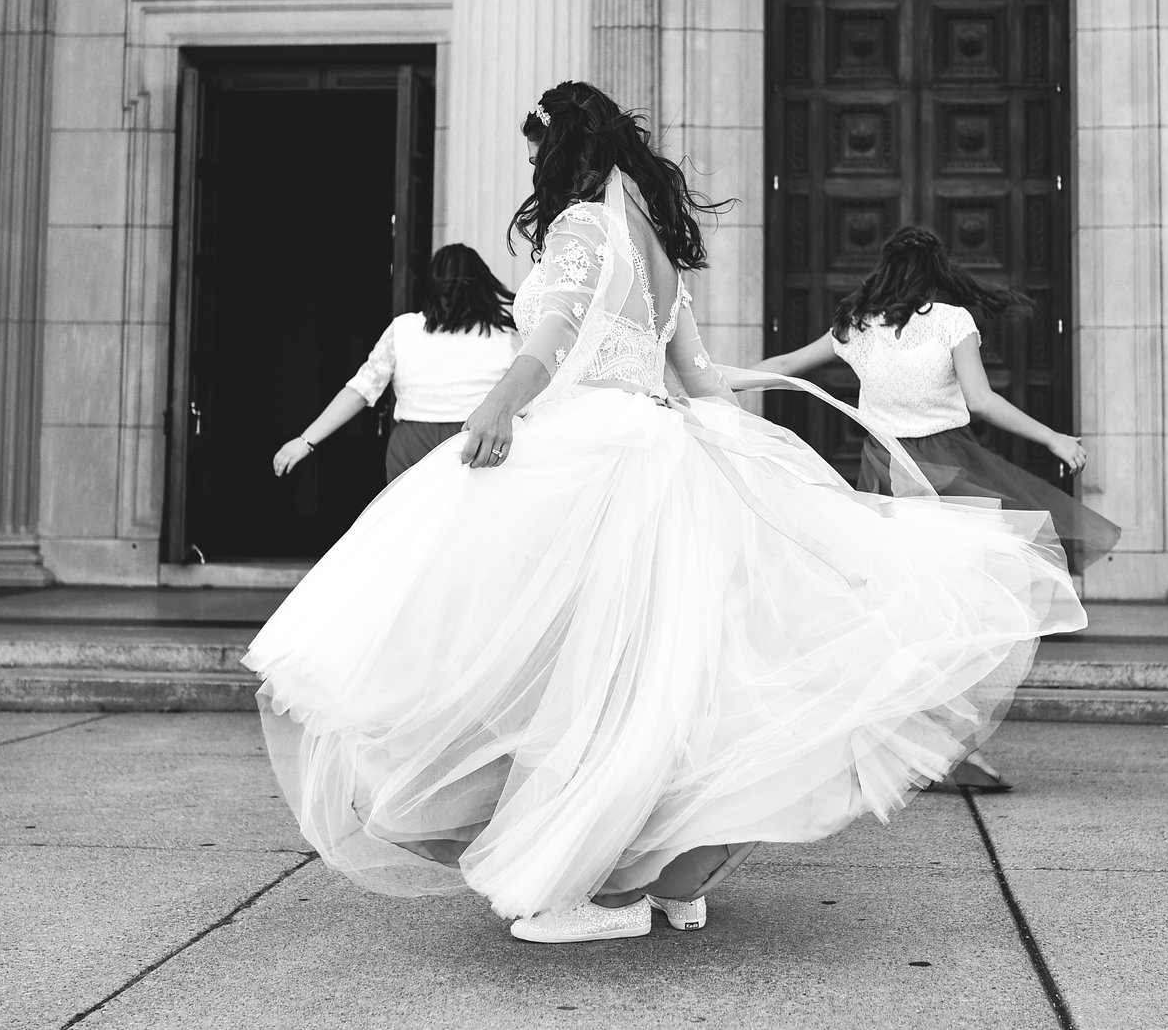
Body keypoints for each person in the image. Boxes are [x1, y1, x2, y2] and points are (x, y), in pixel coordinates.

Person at [244, 81, 1083, 943]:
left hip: (592, 455)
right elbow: (701, 379)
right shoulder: (655, 248)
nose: (530, 164)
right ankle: (675, 879)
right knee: (666, 675)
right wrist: (754, 453)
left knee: (569, 674)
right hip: (658, 447)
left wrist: (496, 408)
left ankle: (581, 881)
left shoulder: (580, 227)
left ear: (564, 151)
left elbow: (552, 337)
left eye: (536, 149)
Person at [753, 225, 1120, 579]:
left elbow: (786, 364)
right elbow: (981, 401)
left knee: (899, 569)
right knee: (972, 562)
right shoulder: (951, 321)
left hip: (885, 466)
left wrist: (716, 378)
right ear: (936, 273)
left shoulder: (859, 326)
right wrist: (1052, 437)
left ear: (885, 271)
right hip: (946, 459)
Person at [273, 245, 519, 485]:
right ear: (484, 286)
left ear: (431, 286)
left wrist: (306, 440)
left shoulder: (403, 330)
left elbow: (360, 390)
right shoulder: (507, 336)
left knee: (412, 525)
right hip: (477, 444)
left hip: (414, 446)